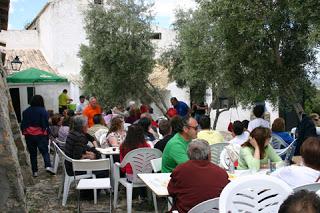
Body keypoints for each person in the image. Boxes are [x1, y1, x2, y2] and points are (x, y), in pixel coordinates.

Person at [168, 139, 229, 213]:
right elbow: (227, 192)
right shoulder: (221, 172)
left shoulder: (180, 170)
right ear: (209, 155)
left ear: (188, 154)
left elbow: (171, 191)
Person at [21, 95, 54, 177]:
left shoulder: (25, 111)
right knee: (45, 152)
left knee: (32, 154)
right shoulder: (43, 111)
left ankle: (35, 171)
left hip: (29, 135)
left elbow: (23, 124)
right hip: (41, 135)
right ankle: (48, 166)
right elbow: (46, 123)